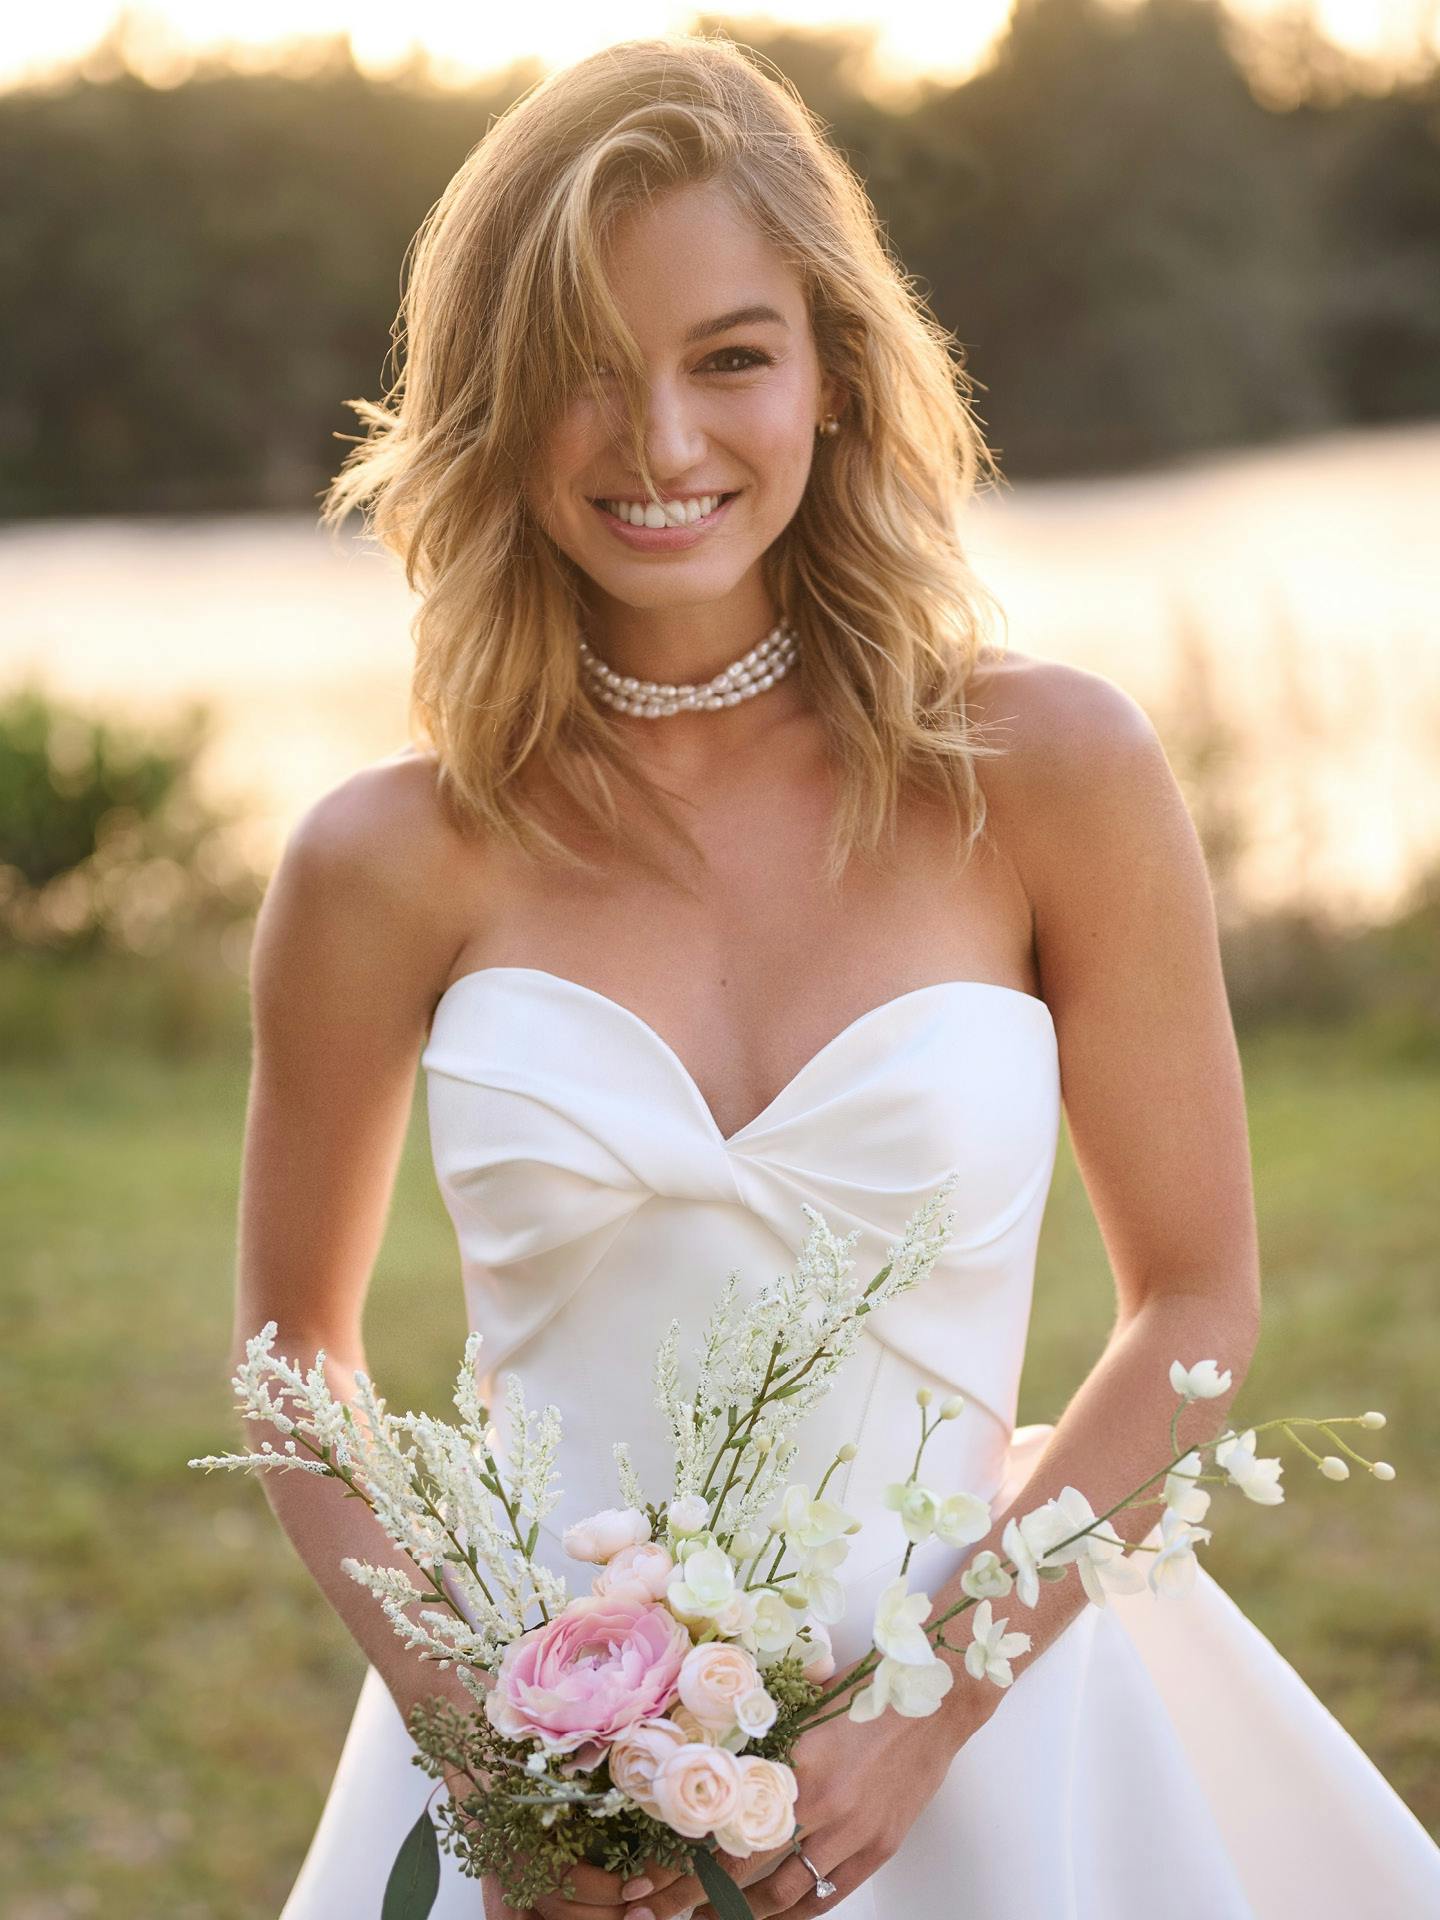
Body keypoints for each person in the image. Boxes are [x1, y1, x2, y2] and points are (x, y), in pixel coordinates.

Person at [233, 33, 1440, 1920]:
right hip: (551, 1786)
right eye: (577, 376)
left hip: (983, 1732)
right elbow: (295, 1365)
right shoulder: (383, 860)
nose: (662, 445)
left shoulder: (1054, 775)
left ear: (835, 374)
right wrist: (491, 1751)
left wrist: (927, 1707)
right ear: (481, 407)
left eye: (730, 357)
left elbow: (1196, 1302)